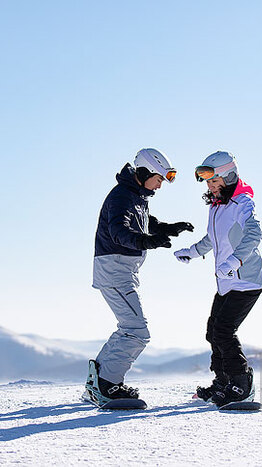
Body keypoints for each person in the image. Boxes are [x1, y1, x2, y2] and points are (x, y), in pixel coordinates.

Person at [85, 148, 194, 404]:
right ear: (145, 172)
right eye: (158, 179)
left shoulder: (134, 196)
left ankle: (98, 382)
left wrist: (166, 228)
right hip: (114, 270)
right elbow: (118, 231)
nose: (160, 185)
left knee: (129, 328)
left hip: (121, 270)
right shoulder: (122, 195)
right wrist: (148, 241)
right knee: (137, 330)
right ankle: (108, 385)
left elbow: (142, 221)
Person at [173, 150, 262, 406]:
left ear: (229, 177)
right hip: (226, 282)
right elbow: (212, 240)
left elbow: (254, 234)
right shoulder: (217, 207)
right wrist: (191, 253)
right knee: (213, 331)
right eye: (208, 183)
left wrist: (235, 261)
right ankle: (223, 382)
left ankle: (241, 383)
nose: (211, 188)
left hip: (245, 280)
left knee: (224, 331)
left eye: (215, 182)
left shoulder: (242, 203)